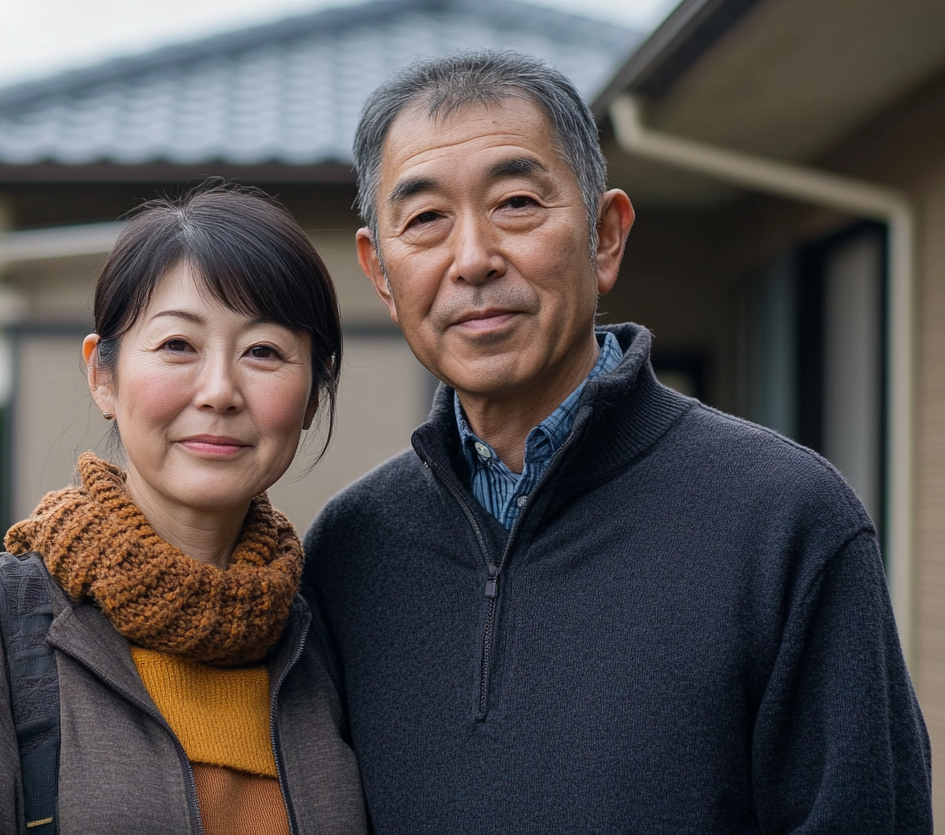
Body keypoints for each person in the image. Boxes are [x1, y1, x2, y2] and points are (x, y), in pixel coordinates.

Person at [302, 50, 931, 833]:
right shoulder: (350, 549)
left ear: (604, 236)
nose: (472, 259)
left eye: (517, 203)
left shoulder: (785, 518)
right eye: (426, 219)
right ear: (382, 275)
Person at [0, 185, 367, 835]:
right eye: (177, 346)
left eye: (263, 352)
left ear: (311, 398)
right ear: (102, 376)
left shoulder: (322, 636)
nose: (219, 391)